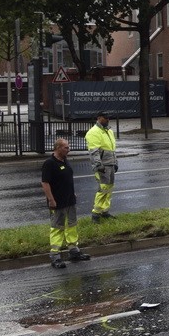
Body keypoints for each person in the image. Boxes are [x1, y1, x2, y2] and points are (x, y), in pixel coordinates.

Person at [41, 138, 91, 268]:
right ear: (58, 148)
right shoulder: (49, 163)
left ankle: (73, 250)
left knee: (71, 226)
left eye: (68, 147)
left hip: (69, 200)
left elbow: (67, 178)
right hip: (57, 202)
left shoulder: (65, 160)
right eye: (66, 148)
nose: (69, 150)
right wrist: (51, 200)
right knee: (57, 228)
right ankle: (55, 256)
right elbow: (45, 183)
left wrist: (72, 192)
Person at [85, 111, 118, 222]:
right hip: (103, 166)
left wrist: (115, 162)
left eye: (109, 118)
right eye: (105, 118)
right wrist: (99, 165)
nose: (108, 119)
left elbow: (112, 149)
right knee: (103, 189)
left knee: (109, 188)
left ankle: (105, 211)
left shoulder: (109, 131)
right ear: (99, 118)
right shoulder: (93, 132)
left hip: (110, 164)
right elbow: (94, 151)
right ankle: (96, 213)